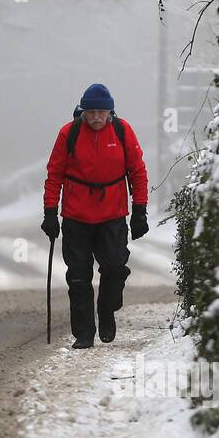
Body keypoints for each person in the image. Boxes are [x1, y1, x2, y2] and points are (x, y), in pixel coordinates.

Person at [40, 84, 149, 349]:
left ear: (110, 111)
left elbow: (137, 171)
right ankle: (84, 333)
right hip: (77, 217)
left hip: (112, 215)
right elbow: (54, 175)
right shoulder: (69, 133)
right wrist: (50, 213)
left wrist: (140, 211)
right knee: (78, 276)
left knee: (114, 267)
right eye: (91, 112)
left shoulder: (123, 131)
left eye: (102, 112)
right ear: (83, 112)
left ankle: (107, 309)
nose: (97, 117)